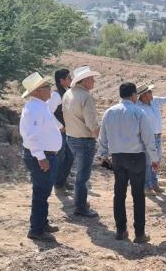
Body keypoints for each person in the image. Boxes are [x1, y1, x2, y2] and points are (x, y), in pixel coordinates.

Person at [98, 82, 160, 243]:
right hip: (136, 157)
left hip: (117, 157)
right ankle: (139, 234)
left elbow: (102, 136)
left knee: (119, 194)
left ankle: (121, 230)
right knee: (138, 195)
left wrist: (102, 154)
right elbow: (148, 138)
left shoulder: (109, 112)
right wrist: (154, 159)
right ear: (134, 95)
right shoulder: (138, 112)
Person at [19, 72, 62, 241]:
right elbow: (32, 136)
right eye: (46, 87)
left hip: (45, 155)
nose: (50, 89)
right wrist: (41, 157)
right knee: (40, 192)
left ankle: (41, 223)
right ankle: (36, 229)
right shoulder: (34, 109)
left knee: (43, 192)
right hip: (41, 156)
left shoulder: (39, 106)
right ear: (37, 91)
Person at [62, 66, 100, 218]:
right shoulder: (86, 97)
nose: (93, 81)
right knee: (82, 177)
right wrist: (102, 139)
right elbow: (92, 124)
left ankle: (80, 202)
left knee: (80, 174)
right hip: (84, 140)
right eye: (91, 78)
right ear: (84, 81)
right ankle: (81, 207)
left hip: (71, 138)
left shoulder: (68, 94)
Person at [46, 69, 74, 195]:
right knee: (62, 157)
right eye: (68, 78)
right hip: (59, 132)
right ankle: (58, 185)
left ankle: (62, 181)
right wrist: (60, 126)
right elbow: (48, 112)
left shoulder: (66, 92)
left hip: (67, 131)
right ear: (61, 80)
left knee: (69, 157)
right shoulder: (56, 95)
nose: (71, 80)